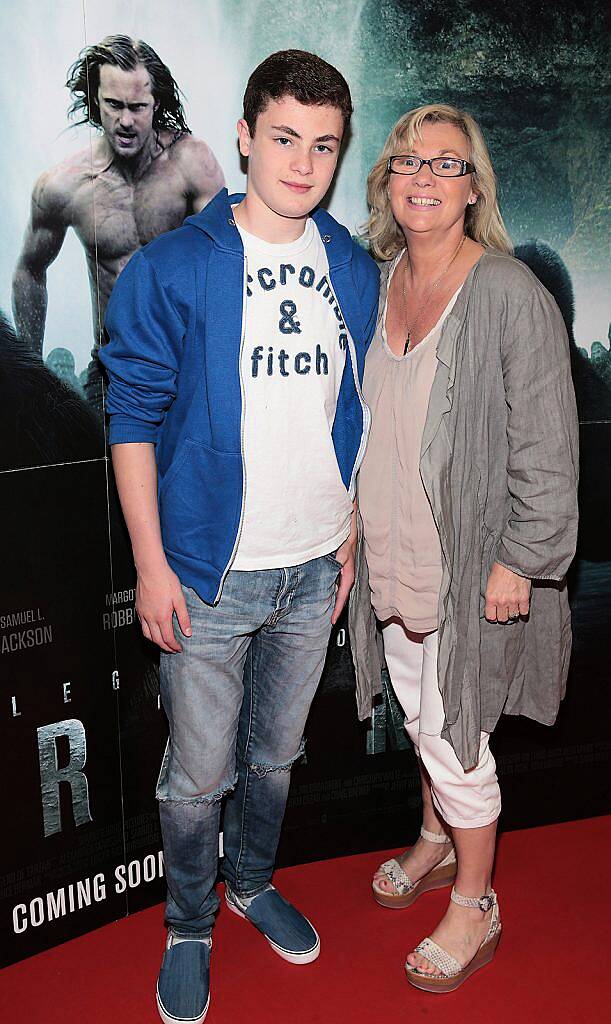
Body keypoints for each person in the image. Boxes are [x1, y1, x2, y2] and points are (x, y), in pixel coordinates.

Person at [100, 49, 379, 1024]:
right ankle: (188, 926)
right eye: (285, 139)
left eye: (324, 146)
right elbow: (130, 420)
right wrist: (149, 566)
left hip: (313, 572)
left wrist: (348, 531)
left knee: (274, 758)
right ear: (245, 140)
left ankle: (251, 881)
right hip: (207, 577)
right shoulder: (172, 267)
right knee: (195, 775)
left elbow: (355, 409)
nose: (303, 163)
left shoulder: (351, 265)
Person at [350, 103, 578, 993]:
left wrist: (519, 560)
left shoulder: (509, 292)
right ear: (386, 181)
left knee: (455, 736)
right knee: (419, 717)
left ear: (473, 186)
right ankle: (438, 839)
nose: (422, 177)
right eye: (407, 161)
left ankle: (475, 904)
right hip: (391, 555)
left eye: (446, 165)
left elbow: (548, 450)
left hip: (471, 567)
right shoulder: (378, 279)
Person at [12, 35, 224, 412]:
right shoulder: (64, 185)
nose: (125, 121)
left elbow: (227, 258)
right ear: (96, 101)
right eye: (113, 105)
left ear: (156, 103)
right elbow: (30, 271)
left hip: (188, 359)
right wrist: (30, 376)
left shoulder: (192, 164)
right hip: (112, 367)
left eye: (137, 107)